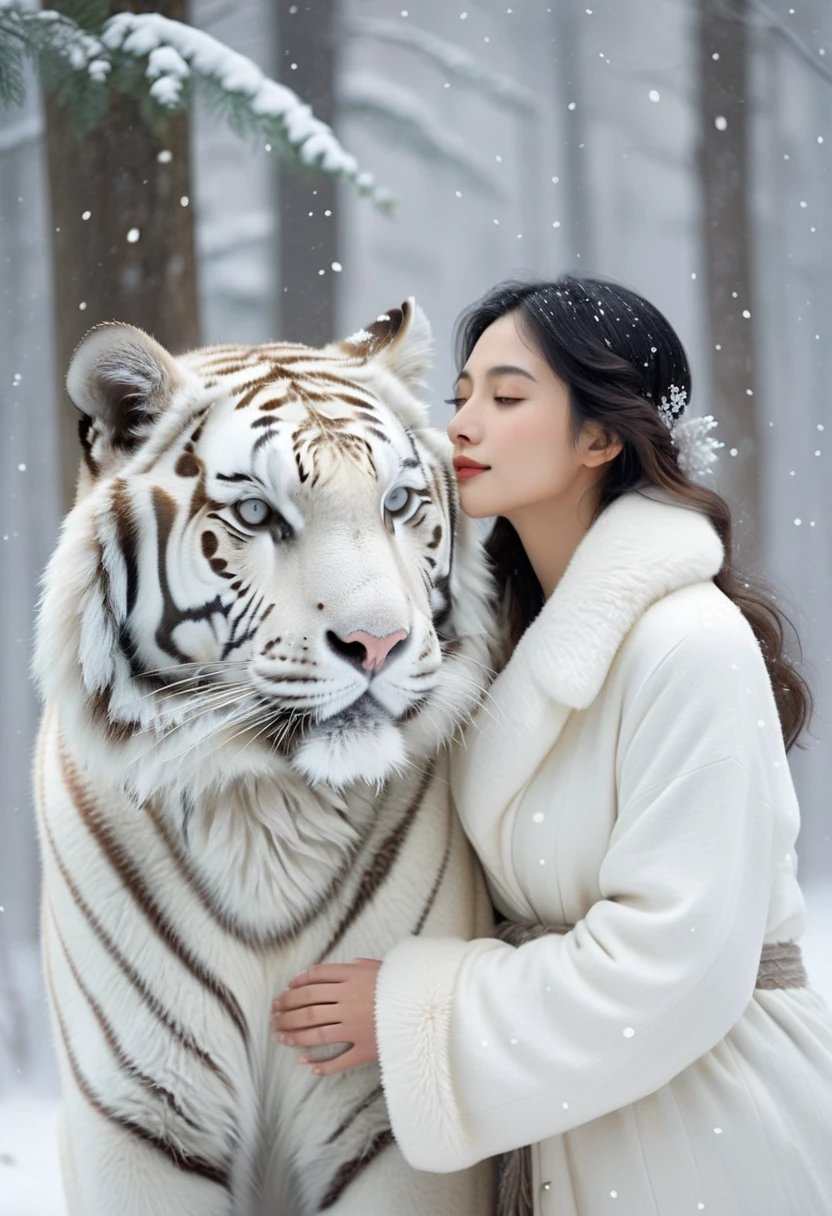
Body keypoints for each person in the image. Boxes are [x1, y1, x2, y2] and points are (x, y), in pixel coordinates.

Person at [271, 276, 832, 1215]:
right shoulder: (493, 652)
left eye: (507, 396)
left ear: (602, 437)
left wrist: (412, 1013)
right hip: (561, 1126)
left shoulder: (690, 643)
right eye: (458, 398)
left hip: (707, 1132)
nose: (461, 426)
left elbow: (675, 964)